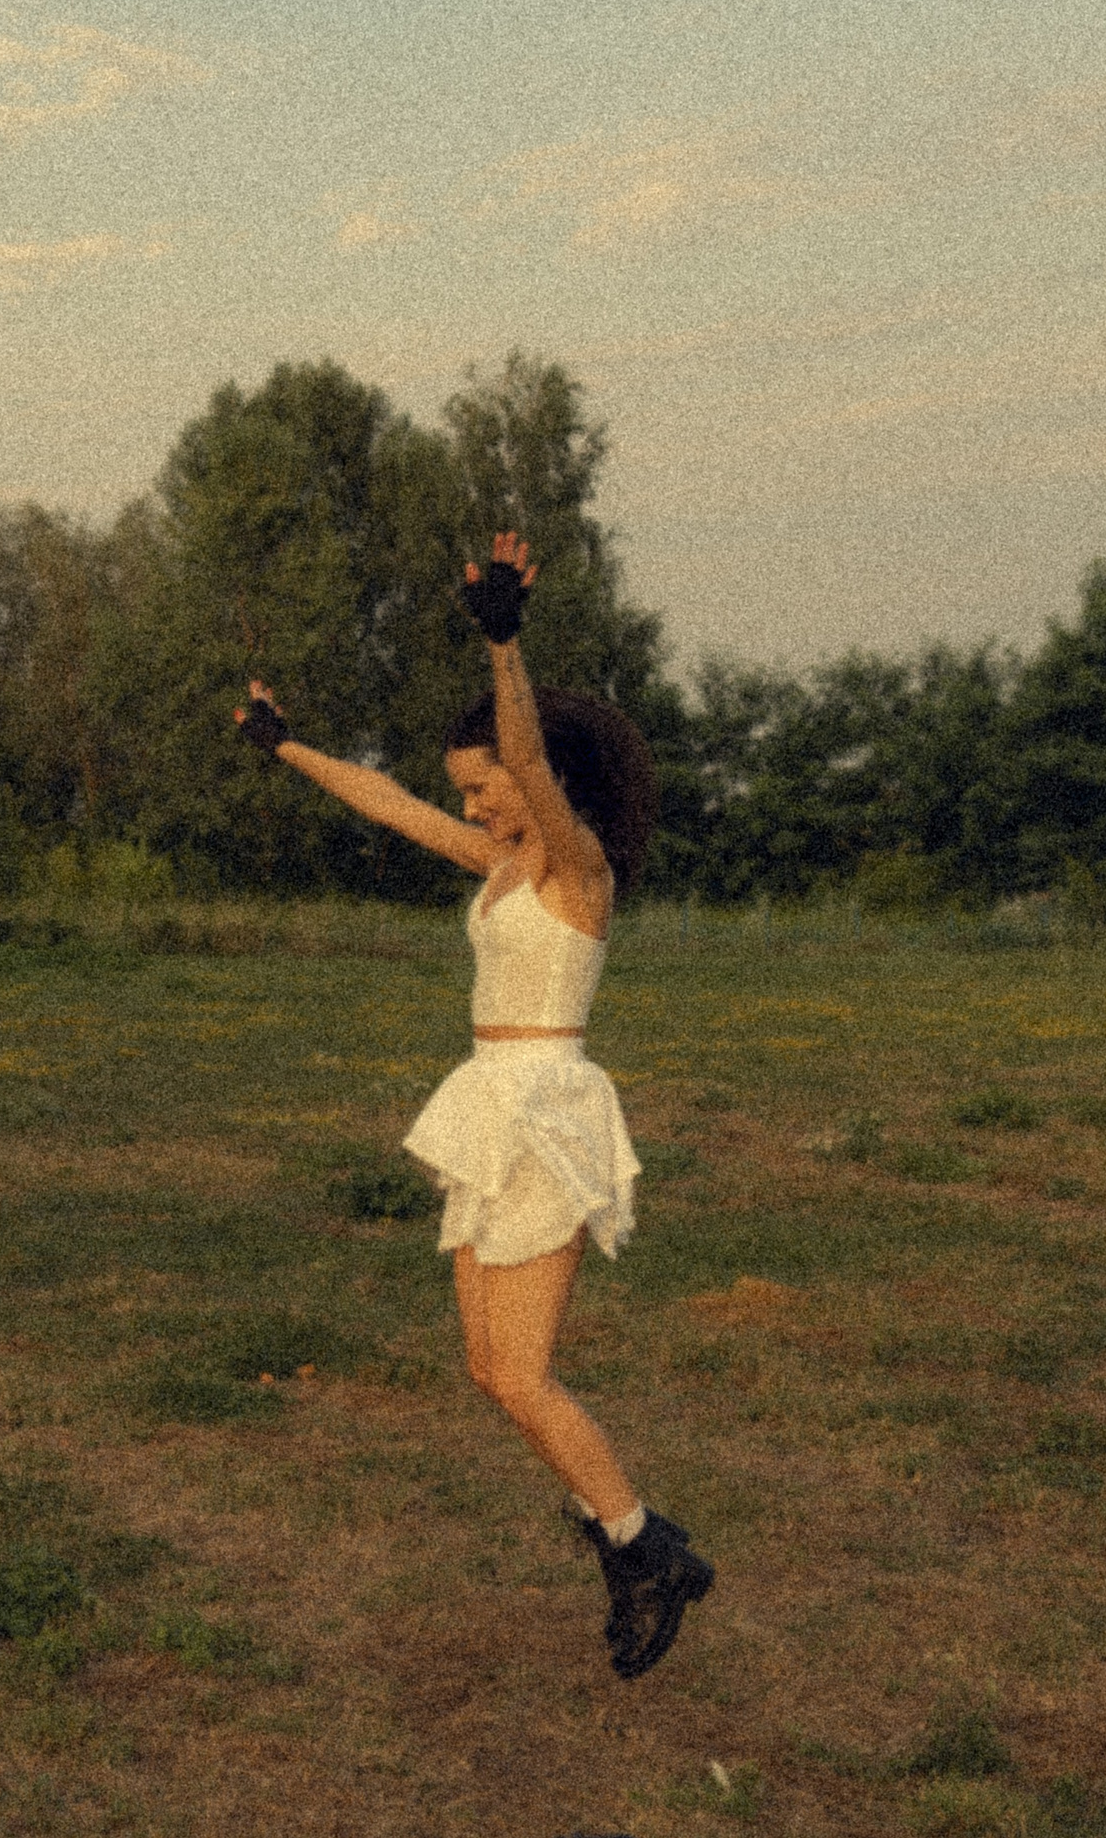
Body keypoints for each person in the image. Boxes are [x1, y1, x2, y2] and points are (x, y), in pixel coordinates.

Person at [234, 531, 714, 1680]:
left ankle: (646, 1549)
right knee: (490, 1373)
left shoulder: (577, 869)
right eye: (474, 793)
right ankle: (630, 1538)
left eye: (489, 785)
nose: (483, 804)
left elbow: (535, 770)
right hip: (491, 1102)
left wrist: (505, 647)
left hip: (546, 1108)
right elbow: (390, 805)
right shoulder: (502, 867)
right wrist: (288, 745)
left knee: (527, 1370)